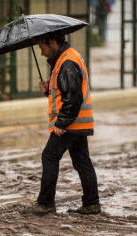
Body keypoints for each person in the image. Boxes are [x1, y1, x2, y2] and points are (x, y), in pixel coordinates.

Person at [22, 31, 100, 216]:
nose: (41, 53)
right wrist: (49, 89)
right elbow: (66, 92)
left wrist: (62, 123)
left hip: (70, 122)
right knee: (82, 162)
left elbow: (73, 98)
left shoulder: (66, 63)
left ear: (53, 42)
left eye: (42, 47)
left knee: (49, 156)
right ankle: (91, 204)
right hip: (77, 122)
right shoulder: (67, 59)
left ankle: (46, 203)